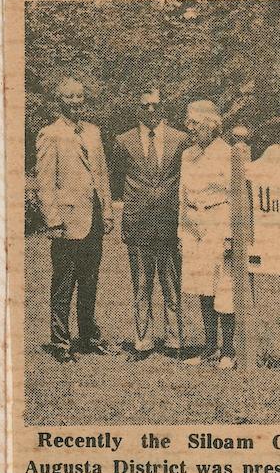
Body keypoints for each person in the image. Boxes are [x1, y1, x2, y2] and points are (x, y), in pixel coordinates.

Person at [34, 76, 114, 362]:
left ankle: (88, 337)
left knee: (89, 281)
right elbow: (45, 184)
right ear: (60, 101)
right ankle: (60, 342)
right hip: (67, 222)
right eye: (70, 98)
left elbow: (102, 175)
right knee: (64, 283)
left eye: (80, 97)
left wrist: (106, 211)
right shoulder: (50, 134)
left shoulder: (93, 132)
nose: (77, 102)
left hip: (92, 219)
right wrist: (53, 221)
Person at [113, 88, 187, 361]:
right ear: (138, 108)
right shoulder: (123, 141)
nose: (151, 111)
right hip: (138, 224)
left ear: (163, 107)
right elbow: (118, 179)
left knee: (171, 284)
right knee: (141, 285)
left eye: (156, 105)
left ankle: (175, 341)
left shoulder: (181, 140)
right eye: (145, 106)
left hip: (169, 223)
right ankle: (142, 342)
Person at [177, 99, 236, 369]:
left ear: (210, 125)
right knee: (203, 287)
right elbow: (182, 195)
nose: (189, 127)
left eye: (195, 123)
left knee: (222, 285)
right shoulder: (187, 155)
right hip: (193, 226)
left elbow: (235, 197)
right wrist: (181, 230)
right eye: (188, 122)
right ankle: (209, 347)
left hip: (218, 222)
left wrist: (230, 233)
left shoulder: (227, 153)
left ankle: (228, 350)